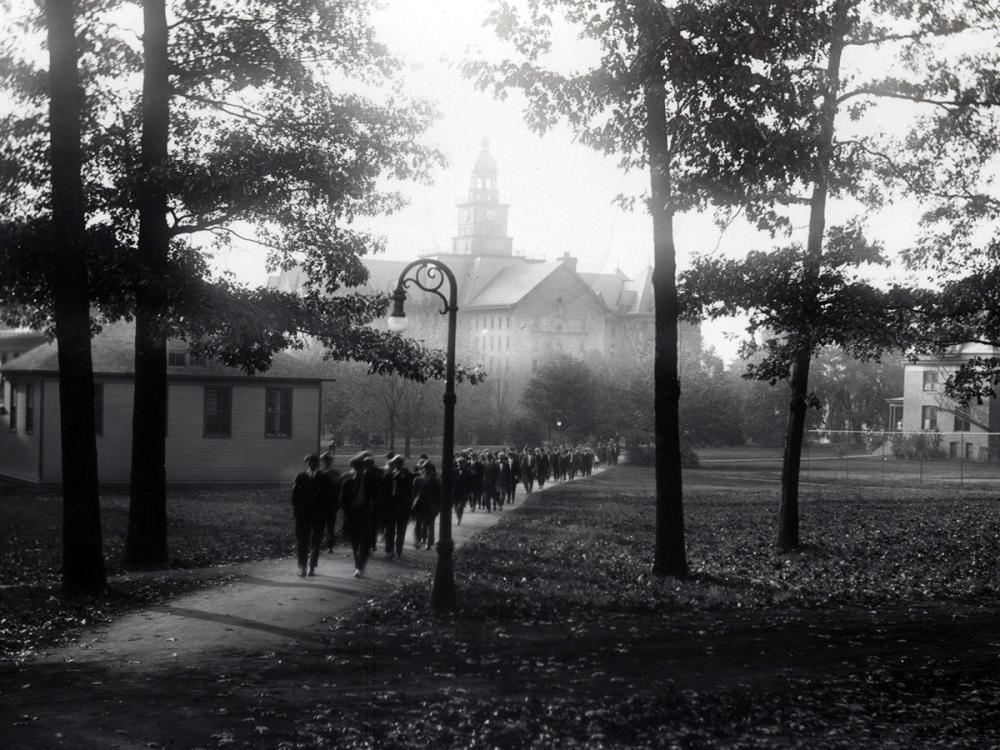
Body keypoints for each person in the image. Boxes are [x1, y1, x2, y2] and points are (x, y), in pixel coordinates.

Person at [340, 451, 379, 578]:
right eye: (356, 468)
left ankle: (359, 567)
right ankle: (358, 563)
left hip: (367, 514)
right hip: (353, 514)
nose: (359, 470)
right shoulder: (347, 482)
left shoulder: (371, 481)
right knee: (355, 541)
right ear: (353, 468)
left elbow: (379, 497)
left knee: (365, 541)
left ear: (364, 467)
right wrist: (347, 510)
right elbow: (342, 501)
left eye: (361, 467)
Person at [291, 453, 324, 577]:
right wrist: (297, 511)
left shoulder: (323, 477)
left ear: (318, 463)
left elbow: (329, 496)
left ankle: (312, 567)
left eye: (315, 462)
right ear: (307, 463)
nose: (313, 464)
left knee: (316, 541)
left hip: (318, 514)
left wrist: (324, 511)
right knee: (302, 541)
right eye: (310, 462)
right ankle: (302, 567)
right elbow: (294, 495)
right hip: (303, 514)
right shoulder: (301, 476)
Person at [384, 454, 414, 559]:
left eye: (399, 463)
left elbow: (408, 486)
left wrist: (398, 476)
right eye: (396, 463)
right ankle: (389, 549)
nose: (397, 465)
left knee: (401, 531)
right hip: (391, 506)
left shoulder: (407, 474)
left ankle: (399, 550)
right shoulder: (389, 473)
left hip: (403, 506)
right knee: (390, 530)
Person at [411, 459, 440, 550]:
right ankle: (420, 541)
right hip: (422, 505)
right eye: (424, 468)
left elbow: (438, 495)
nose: (426, 470)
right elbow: (414, 494)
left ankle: (427, 542)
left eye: (427, 468)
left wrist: (437, 506)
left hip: (430, 505)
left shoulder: (435, 481)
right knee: (420, 524)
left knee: (428, 524)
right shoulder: (418, 480)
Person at [318, 452, 342, 552]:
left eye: (328, 461)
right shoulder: (319, 473)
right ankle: (319, 544)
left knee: (329, 525)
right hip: (322, 502)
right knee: (320, 524)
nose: (326, 462)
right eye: (324, 461)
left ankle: (329, 545)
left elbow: (340, 488)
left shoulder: (335, 473)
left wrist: (339, 502)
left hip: (332, 502)